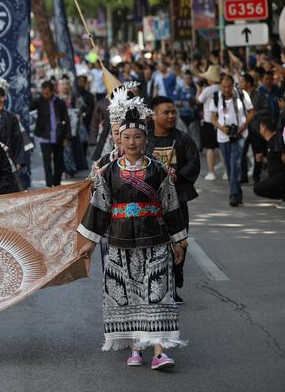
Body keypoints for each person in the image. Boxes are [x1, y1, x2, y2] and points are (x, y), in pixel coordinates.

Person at [77, 103, 187, 370]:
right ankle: (136, 347)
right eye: (126, 137)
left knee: (158, 294)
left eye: (137, 137)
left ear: (145, 139)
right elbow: (99, 208)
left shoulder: (159, 170)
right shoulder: (109, 172)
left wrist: (179, 239)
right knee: (131, 294)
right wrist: (89, 245)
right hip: (120, 243)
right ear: (119, 139)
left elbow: (171, 205)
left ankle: (160, 351)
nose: (132, 142)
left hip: (155, 241)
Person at [146, 96, 199, 303]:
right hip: (151, 202)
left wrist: (177, 176)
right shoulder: (145, 139)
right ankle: (161, 285)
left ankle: (176, 279)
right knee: (156, 243)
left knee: (179, 241)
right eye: (166, 112)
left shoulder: (184, 139)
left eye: (173, 112)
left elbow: (194, 163)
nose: (171, 116)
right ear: (153, 115)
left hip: (178, 200)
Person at [208, 74, 254, 207]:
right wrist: (221, 128)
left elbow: (252, 112)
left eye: (229, 86)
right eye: (224, 87)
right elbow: (212, 118)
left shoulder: (242, 94)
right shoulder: (216, 97)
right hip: (223, 136)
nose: (227, 89)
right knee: (229, 166)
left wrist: (243, 126)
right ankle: (237, 194)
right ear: (220, 86)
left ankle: (233, 195)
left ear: (233, 85)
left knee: (235, 163)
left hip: (240, 134)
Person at [30, 80, 71, 187]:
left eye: (47, 93)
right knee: (47, 162)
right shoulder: (39, 101)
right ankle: (49, 185)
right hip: (44, 136)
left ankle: (57, 183)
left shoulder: (60, 103)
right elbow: (29, 106)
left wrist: (67, 137)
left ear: (52, 91)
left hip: (58, 136)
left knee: (59, 162)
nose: (45, 95)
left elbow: (66, 119)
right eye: (43, 93)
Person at [197, 66, 225, 181]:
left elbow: (198, 100)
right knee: (222, 146)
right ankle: (226, 172)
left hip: (209, 120)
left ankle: (211, 172)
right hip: (221, 120)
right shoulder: (222, 88)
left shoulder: (207, 90)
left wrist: (199, 89)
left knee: (210, 148)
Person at [252, 116, 285, 205]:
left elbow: (283, 155)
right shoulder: (269, 142)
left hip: (281, 176)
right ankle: (283, 196)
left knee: (258, 188)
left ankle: (284, 196)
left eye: (260, 126)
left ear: (264, 127)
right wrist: (263, 159)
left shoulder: (277, 140)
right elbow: (274, 159)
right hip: (275, 177)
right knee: (258, 189)